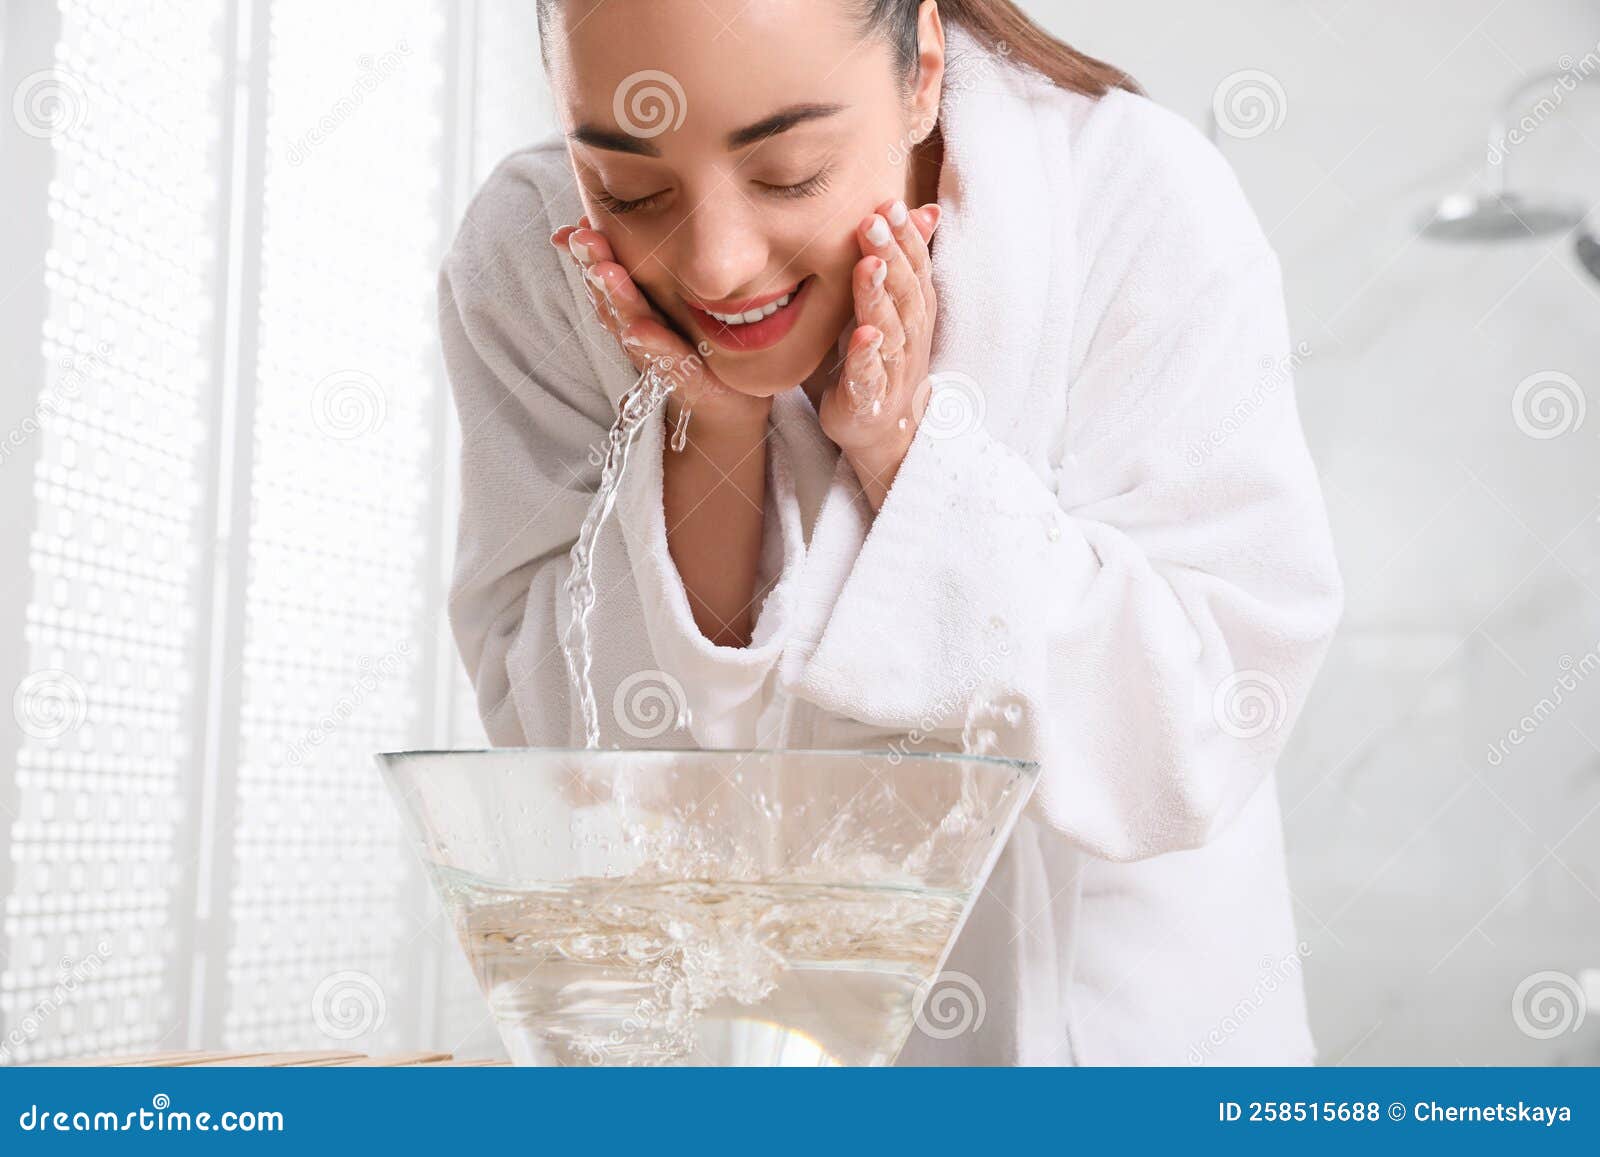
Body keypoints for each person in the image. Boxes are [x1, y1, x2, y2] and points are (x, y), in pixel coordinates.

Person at [438, 0, 1344, 1064]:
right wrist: (706, 440)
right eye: (632, 188)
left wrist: (909, 456)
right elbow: (577, 784)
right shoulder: (530, 252)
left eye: (788, 172)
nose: (719, 264)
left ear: (920, 68)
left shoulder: (1131, 194)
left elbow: (1195, 726)